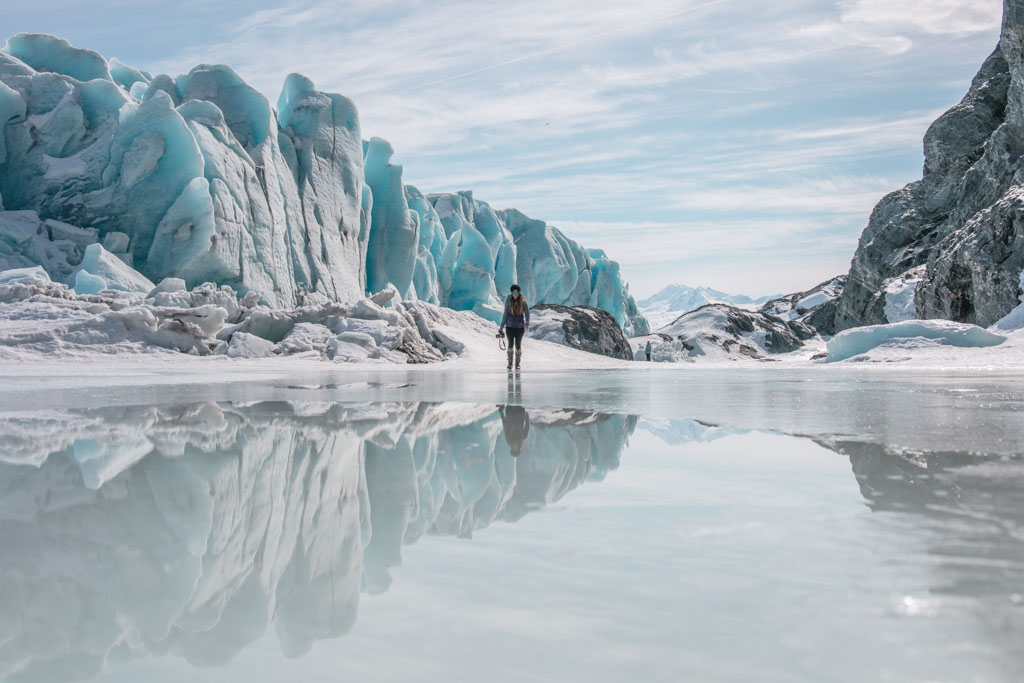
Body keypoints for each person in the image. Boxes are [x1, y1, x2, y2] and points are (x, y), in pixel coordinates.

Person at [498, 284, 529, 370]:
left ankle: (517, 364)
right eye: (513, 292)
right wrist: (501, 327)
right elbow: (505, 315)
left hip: (520, 328)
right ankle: (510, 364)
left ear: (519, 293)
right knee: (510, 345)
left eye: (517, 292)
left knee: (518, 345)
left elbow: (527, 314)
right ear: (511, 293)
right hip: (510, 327)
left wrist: (527, 324)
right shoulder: (508, 302)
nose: (515, 293)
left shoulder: (523, 303)